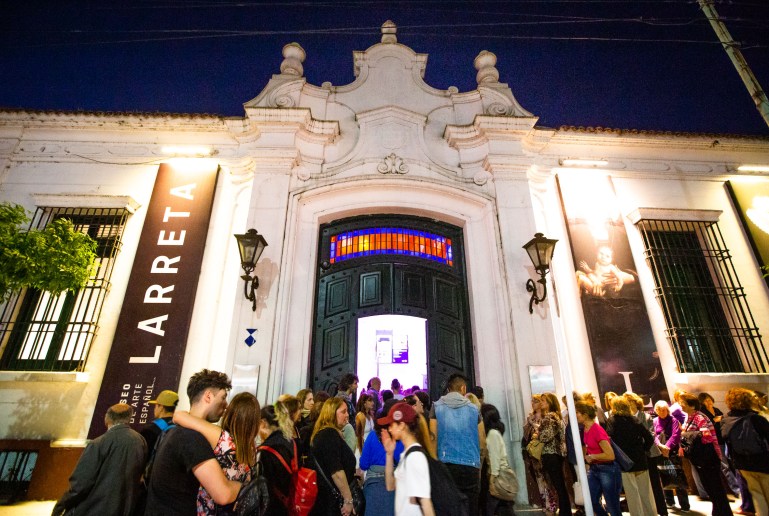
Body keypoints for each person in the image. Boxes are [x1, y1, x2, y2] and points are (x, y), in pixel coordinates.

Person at [145, 369, 242, 516]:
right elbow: (224, 493)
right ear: (208, 396)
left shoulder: (177, 431)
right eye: (223, 397)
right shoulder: (191, 438)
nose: (226, 405)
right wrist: (246, 485)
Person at [173, 391, 261, 515]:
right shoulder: (252, 448)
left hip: (210, 510)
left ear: (231, 414)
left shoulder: (222, 438)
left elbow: (178, 416)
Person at [53, 403, 147, 516]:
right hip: (125, 508)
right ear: (129, 418)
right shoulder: (140, 441)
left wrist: (61, 506)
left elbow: (81, 484)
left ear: (107, 418)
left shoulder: (98, 443)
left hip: (95, 508)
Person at [429, 373, 486, 516]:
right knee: (471, 509)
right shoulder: (474, 410)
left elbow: (433, 439)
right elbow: (483, 441)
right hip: (470, 466)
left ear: (448, 389)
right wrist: (479, 465)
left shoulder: (436, 407)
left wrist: (433, 467)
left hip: (446, 465)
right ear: (463, 388)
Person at [678, 392, 732, 516]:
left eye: (683, 404)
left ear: (692, 406)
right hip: (699, 458)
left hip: (708, 458)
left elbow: (706, 437)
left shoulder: (699, 417)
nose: (681, 406)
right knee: (710, 488)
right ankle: (718, 511)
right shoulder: (689, 418)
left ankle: (724, 513)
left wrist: (686, 436)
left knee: (715, 488)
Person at [381, 401, 435, 516]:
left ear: (401, 425)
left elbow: (425, 502)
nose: (389, 430)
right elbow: (390, 485)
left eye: (391, 425)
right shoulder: (407, 454)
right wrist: (389, 454)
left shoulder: (414, 457)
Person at [722, 387, 769, 515]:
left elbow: (725, 438)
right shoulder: (756, 418)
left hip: (742, 463)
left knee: (757, 495)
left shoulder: (726, 419)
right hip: (763, 461)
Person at [607, 396, 655, 516]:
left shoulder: (612, 421)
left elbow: (609, 441)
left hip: (625, 462)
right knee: (646, 494)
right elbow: (649, 438)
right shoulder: (635, 420)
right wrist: (644, 450)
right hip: (640, 460)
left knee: (632, 494)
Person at [310, 397, 358, 516]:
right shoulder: (329, 434)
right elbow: (336, 472)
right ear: (331, 413)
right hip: (330, 503)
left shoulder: (326, 433)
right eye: (343, 411)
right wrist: (348, 500)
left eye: (347, 411)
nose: (347, 415)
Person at [574, 400, 622, 516]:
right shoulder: (585, 429)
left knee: (612, 505)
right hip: (595, 468)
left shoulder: (597, 430)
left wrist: (592, 456)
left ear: (585, 415)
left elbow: (610, 455)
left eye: (577, 412)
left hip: (608, 469)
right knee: (590, 500)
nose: (575, 415)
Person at [624, 392, 667, 516]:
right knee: (641, 486)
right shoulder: (627, 419)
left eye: (629, 402)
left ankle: (662, 510)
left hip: (649, 454)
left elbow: (651, 435)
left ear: (635, 403)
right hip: (636, 456)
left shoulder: (646, 417)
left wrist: (639, 446)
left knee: (655, 484)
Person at [360, 398, 405, 516]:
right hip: (395, 486)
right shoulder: (402, 439)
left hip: (372, 487)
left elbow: (363, 464)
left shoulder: (372, 435)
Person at [258, 400, 297, 516]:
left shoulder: (265, 450)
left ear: (263, 423)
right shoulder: (290, 441)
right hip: (290, 502)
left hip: (272, 507)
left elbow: (263, 487)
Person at [700, 392, 741, 497]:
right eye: (706, 400)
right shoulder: (703, 413)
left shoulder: (717, 410)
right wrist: (714, 420)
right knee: (725, 466)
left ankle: (741, 486)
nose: (709, 402)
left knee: (733, 463)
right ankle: (736, 489)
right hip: (716, 442)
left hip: (724, 439)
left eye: (710, 399)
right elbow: (706, 427)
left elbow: (725, 421)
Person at [536, 392, 570, 516]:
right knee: (559, 483)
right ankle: (565, 509)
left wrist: (538, 433)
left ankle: (565, 511)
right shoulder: (557, 416)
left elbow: (546, 436)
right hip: (557, 453)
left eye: (544, 400)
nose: (541, 403)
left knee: (558, 483)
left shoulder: (550, 417)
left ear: (550, 402)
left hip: (551, 453)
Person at [653, 399, 690, 511]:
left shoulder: (673, 420)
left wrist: (667, 447)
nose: (662, 412)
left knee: (677, 475)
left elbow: (676, 435)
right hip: (660, 451)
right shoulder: (655, 421)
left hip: (672, 451)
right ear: (656, 410)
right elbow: (654, 435)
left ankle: (684, 505)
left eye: (664, 410)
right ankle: (669, 501)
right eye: (660, 410)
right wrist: (660, 446)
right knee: (664, 475)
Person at [481, 403, 515, 516]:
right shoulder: (494, 433)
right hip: (499, 476)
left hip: (498, 477)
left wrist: (492, 481)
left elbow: (495, 460)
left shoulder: (492, 434)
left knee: (497, 508)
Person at [522, 394, 552, 510]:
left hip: (545, 450)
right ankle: (544, 503)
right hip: (534, 451)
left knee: (547, 477)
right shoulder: (531, 417)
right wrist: (528, 424)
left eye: (536, 401)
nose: (533, 403)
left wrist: (533, 424)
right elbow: (525, 436)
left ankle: (551, 504)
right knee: (538, 477)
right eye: (532, 401)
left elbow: (544, 431)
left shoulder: (546, 416)